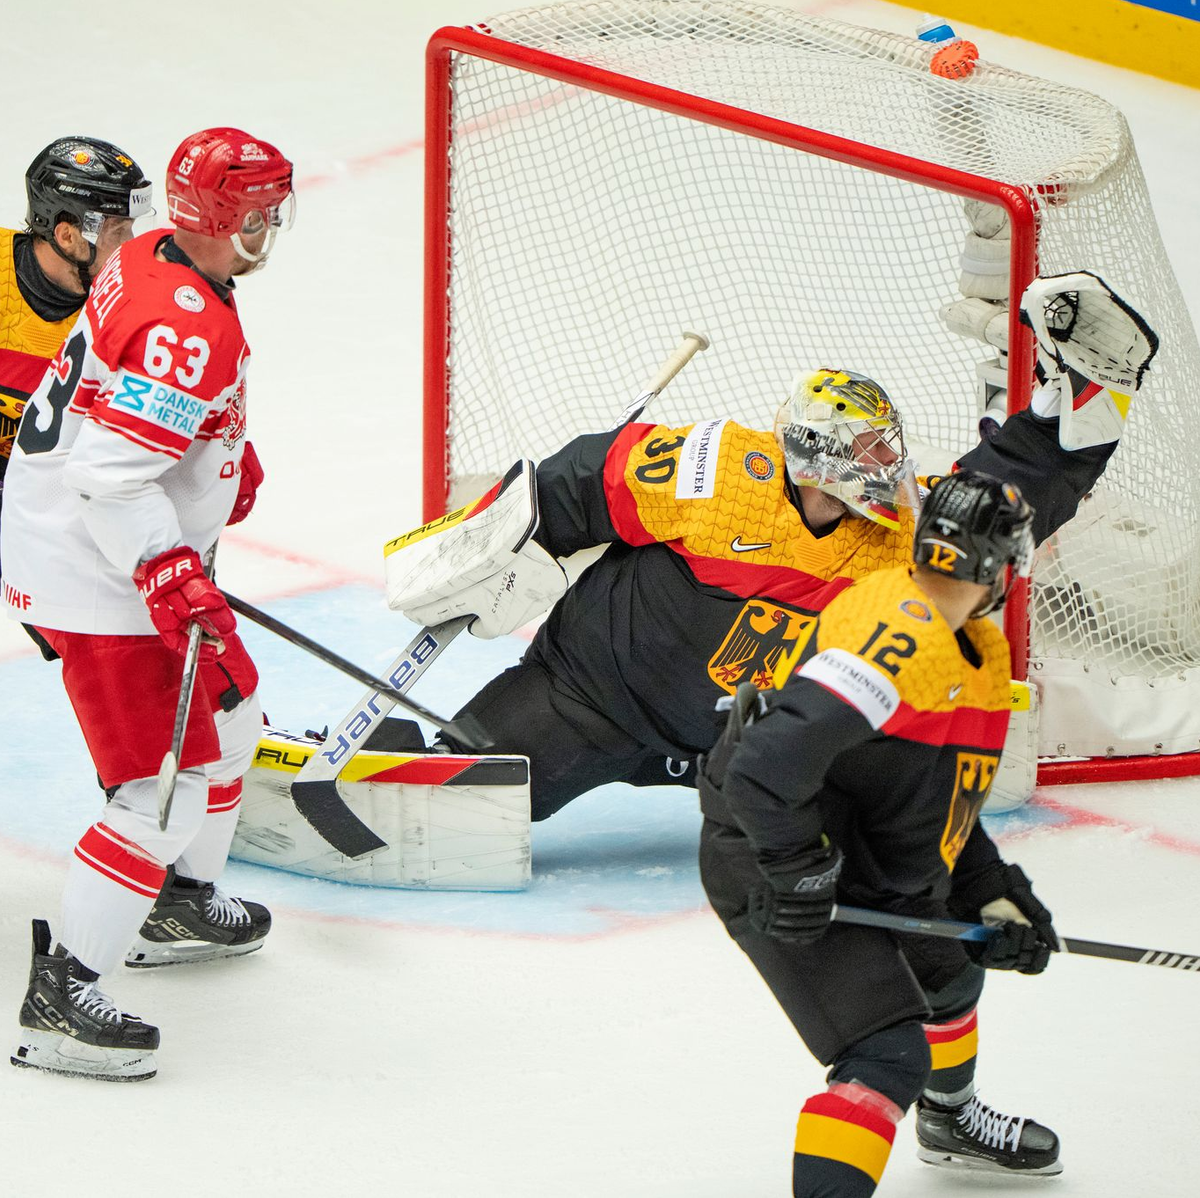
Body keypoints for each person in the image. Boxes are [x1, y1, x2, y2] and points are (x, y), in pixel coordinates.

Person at [388, 272, 1155, 826]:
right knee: (456, 802)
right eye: (865, 447)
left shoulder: (890, 528)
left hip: (755, 743)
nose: (886, 461)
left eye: (886, 444)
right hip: (592, 697)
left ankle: (1087, 395)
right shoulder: (719, 471)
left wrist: (1076, 419)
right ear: (815, 454)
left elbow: (998, 503)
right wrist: (489, 547)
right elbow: (578, 479)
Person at [1, 126, 294, 1081]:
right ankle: (62, 996)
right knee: (154, 788)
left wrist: (217, 450)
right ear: (219, 217)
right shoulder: (185, 320)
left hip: (110, 549)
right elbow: (111, 477)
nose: (270, 226)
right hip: (96, 576)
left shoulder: (148, 256)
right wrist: (169, 570)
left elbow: (117, 407)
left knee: (232, 714)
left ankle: (176, 899)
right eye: (258, 212)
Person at [696, 469, 1059, 1192]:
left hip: (841, 837)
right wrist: (797, 870)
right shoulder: (897, 634)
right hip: (769, 849)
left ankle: (949, 1120)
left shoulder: (975, 652)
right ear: (998, 566)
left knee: (951, 971)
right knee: (887, 1055)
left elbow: (930, 802)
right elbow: (767, 767)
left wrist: (990, 893)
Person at [1, 137, 151, 528]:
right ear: (68, 236)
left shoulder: (128, 312)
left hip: (55, 521)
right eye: (117, 232)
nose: (129, 246)